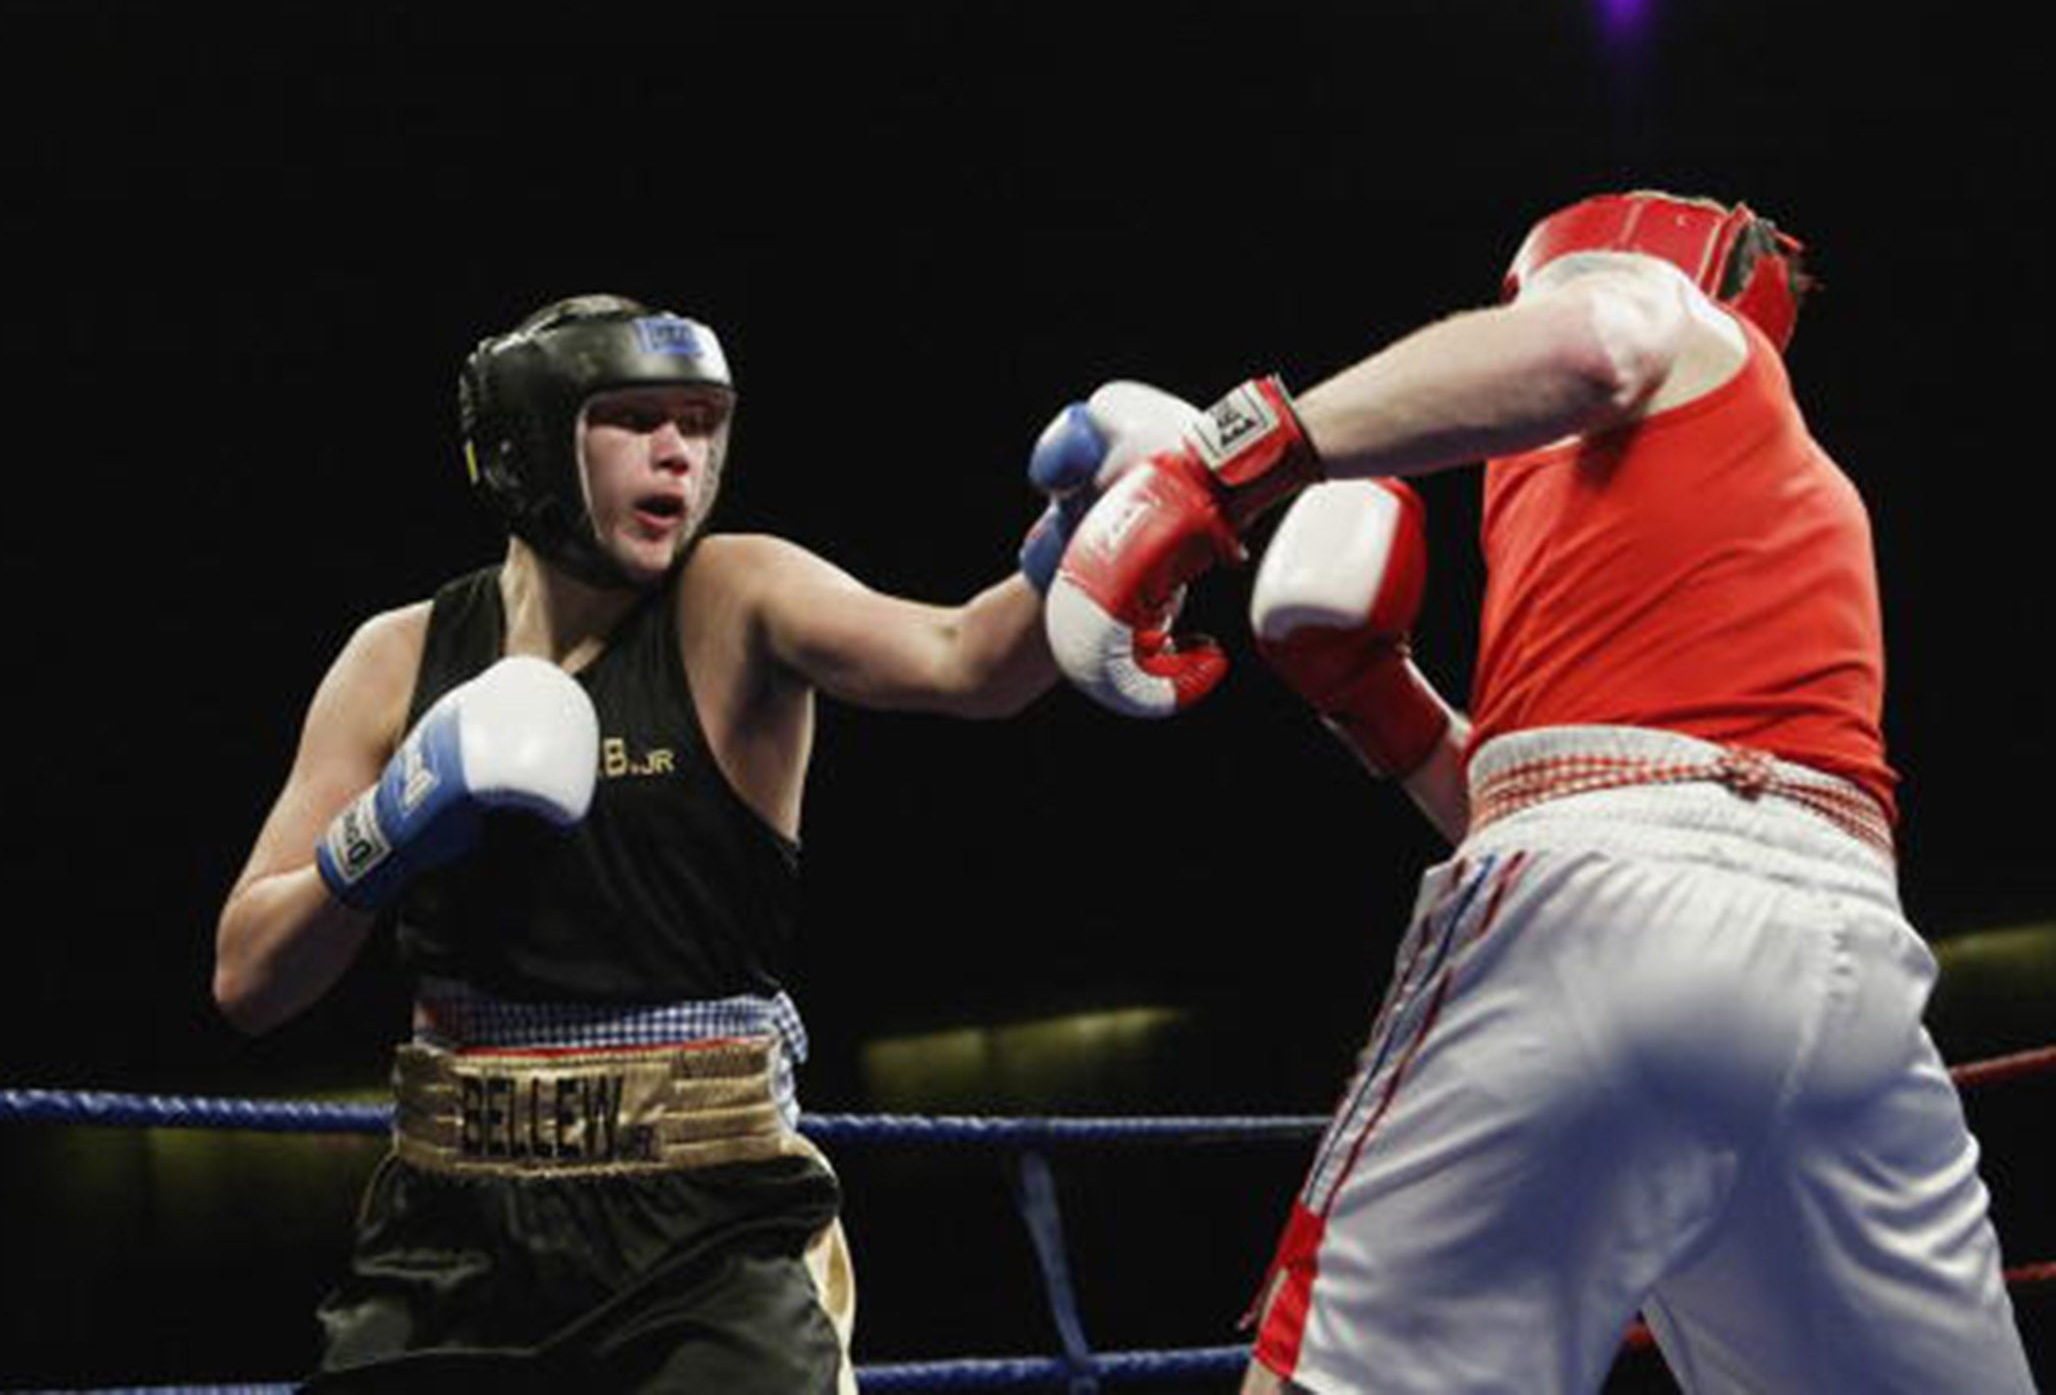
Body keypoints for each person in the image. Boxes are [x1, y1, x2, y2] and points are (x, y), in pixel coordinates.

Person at [1040, 192, 2036, 1393]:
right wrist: (1383, 705)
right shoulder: (1798, 497)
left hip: (1590, 929)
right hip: (1847, 980)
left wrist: (1230, 462)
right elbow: (1644, 804)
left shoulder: (1646, 311)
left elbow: (1588, 347)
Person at [210, 293, 1160, 1392]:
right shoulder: (396, 658)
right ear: (528, 444)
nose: (679, 455)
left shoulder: (737, 599)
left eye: (702, 422)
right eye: (637, 419)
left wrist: (1093, 535)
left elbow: (964, 661)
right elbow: (248, 979)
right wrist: (388, 829)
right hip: (452, 1237)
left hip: (705, 1230)